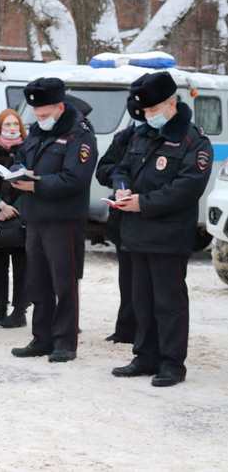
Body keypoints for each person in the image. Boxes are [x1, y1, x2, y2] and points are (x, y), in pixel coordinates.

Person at [110, 72, 213, 387]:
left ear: (171, 103)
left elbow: (187, 188)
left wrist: (145, 203)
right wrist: (122, 188)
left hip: (169, 236)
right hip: (136, 233)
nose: (148, 116)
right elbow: (121, 167)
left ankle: (171, 363)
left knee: (168, 302)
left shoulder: (194, 141)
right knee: (141, 299)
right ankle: (145, 355)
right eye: (146, 111)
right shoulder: (141, 135)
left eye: (154, 109)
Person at [10, 77, 97, 363]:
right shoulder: (37, 131)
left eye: (45, 114)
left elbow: (76, 178)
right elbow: (21, 156)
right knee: (38, 281)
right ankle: (41, 337)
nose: (40, 119)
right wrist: (15, 171)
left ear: (60, 107)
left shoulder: (79, 134)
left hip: (64, 220)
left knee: (64, 283)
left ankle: (65, 342)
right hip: (35, 217)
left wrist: (37, 184)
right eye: (36, 114)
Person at [95, 113, 143, 344]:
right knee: (127, 277)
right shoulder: (125, 137)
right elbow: (104, 168)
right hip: (123, 216)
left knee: (149, 282)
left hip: (152, 215)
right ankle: (125, 329)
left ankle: (145, 332)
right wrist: (120, 182)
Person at [0, 109, 28, 329]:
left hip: (21, 215)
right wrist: (1, 205)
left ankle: (19, 311)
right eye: (7, 125)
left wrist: (14, 207)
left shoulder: (28, 149)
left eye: (15, 125)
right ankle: (0, 308)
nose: (11, 129)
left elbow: (33, 184)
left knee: (22, 266)